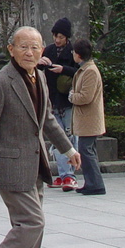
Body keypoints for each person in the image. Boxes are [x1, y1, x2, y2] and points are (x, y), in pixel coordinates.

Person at [0, 26, 81, 248]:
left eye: (34, 47)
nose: (29, 52)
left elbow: (47, 119)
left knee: (28, 227)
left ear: (42, 50)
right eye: (23, 47)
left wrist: (68, 149)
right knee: (33, 223)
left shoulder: (40, 78)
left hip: (36, 165)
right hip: (10, 166)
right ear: (11, 49)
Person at [38, 17, 78, 191]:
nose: (57, 40)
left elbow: (80, 72)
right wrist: (40, 64)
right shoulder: (49, 50)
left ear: (67, 37)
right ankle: (64, 175)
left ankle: (70, 174)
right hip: (52, 100)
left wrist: (64, 69)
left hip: (67, 101)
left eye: (61, 36)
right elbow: (36, 71)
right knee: (58, 137)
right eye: (55, 36)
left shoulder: (72, 52)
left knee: (69, 137)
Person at [69, 38, 106, 196]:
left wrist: (72, 96)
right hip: (86, 119)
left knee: (86, 151)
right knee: (87, 151)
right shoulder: (85, 69)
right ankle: (91, 182)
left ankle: (95, 184)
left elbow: (86, 97)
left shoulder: (90, 71)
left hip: (89, 120)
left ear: (78, 54)